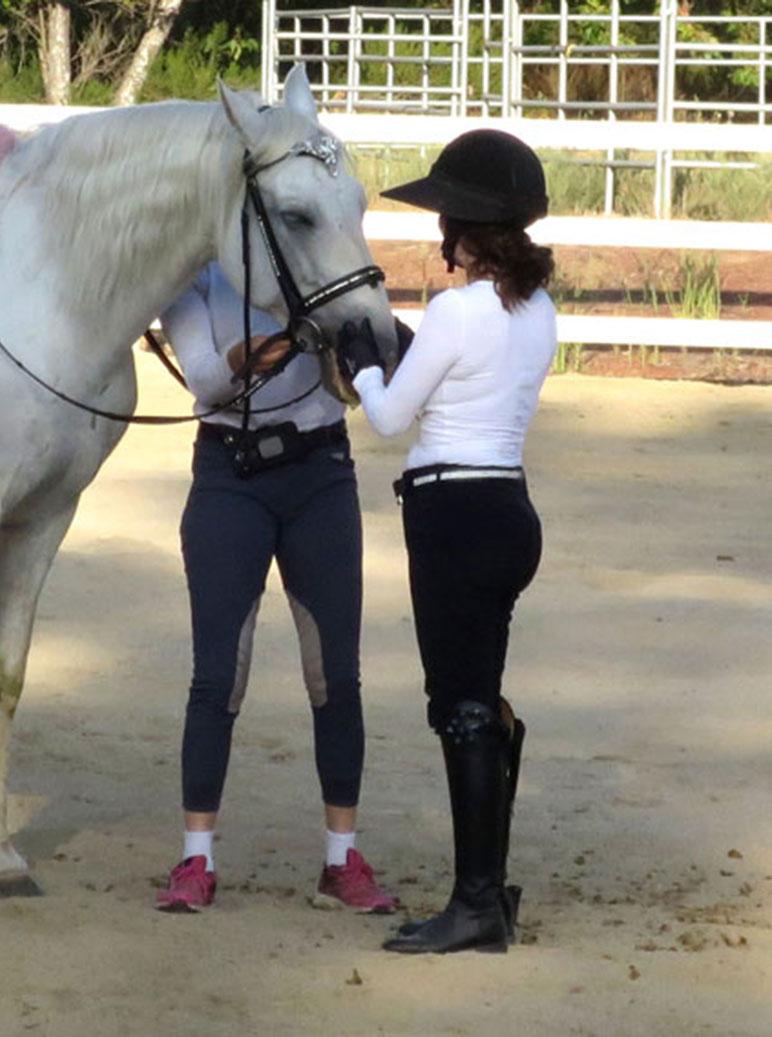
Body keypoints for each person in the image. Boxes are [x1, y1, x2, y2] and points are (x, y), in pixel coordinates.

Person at [336, 129, 557, 953]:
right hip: (507, 509)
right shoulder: (539, 307)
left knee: (459, 709)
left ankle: (474, 903)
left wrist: (363, 363)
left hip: (451, 516)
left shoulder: (454, 310)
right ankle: (490, 890)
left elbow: (392, 417)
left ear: (464, 229)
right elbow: (469, 378)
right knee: (481, 697)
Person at [152, 261, 397, 915]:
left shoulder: (320, 261)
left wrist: (359, 337)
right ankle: (196, 856)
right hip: (228, 470)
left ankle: (341, 859)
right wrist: (292, 335)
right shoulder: (196, 274)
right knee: (217, 676)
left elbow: (379, 346)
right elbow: (204, 376)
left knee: (335, 676)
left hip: (321, 469)